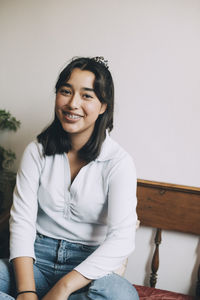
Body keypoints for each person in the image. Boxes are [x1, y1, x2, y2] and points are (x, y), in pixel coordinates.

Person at [0, 57, 139, 300]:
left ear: (104, 105)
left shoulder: (119, 163)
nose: (73, 103)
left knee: (119, 295)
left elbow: (121, 239)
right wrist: (26, 292)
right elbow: (22, 222)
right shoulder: (37, 151)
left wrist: (62, 289)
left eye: (87, 95)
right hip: (35, 261)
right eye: (66, 91)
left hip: (87, 271)